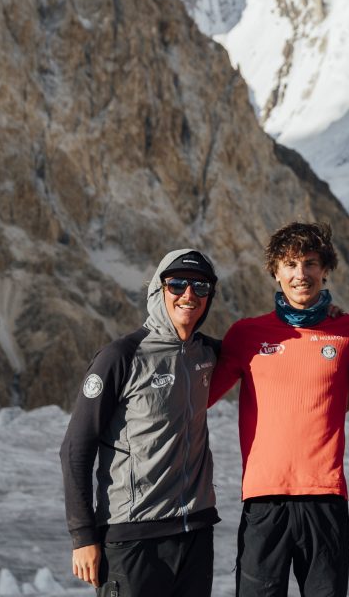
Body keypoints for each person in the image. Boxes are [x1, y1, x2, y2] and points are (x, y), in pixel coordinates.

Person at [208, 221, 349, 597]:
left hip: (324, 497)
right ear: (275, 272)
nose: (301, 274)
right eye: (290, 264)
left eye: (310, 263)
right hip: (264, 500)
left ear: (325, 270)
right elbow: (200, 395)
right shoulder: (245, 334)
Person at [60, 249, 220, 596]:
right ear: (158, 291)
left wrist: (324, 315)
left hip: (195, 533)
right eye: (177, 284)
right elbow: (76, 449)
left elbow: (266, 347)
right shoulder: (121, 357)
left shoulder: (207, 353)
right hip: (132, 537)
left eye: (201, 287)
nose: (189, 295)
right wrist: (83, 536)